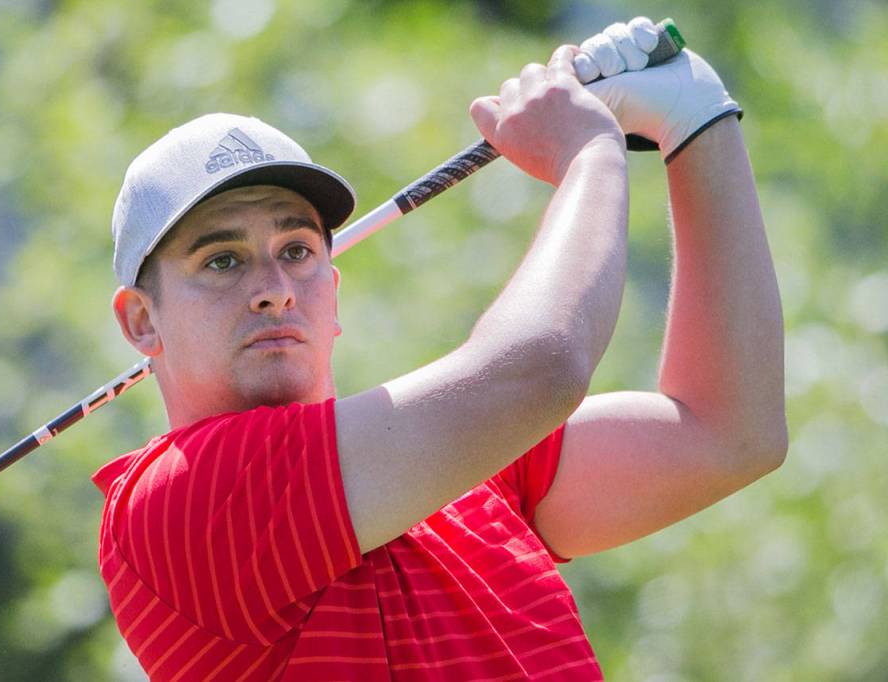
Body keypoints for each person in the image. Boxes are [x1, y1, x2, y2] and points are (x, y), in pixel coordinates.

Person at [93, 17, 787, 681]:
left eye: (297, 250)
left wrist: (697, 124)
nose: (274, 289)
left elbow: (730, 432)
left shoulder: (465, 473)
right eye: (221, 261)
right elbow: (541, 368)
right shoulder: (171, 502)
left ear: (333, 291)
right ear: (142, 323)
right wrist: (589, 152)